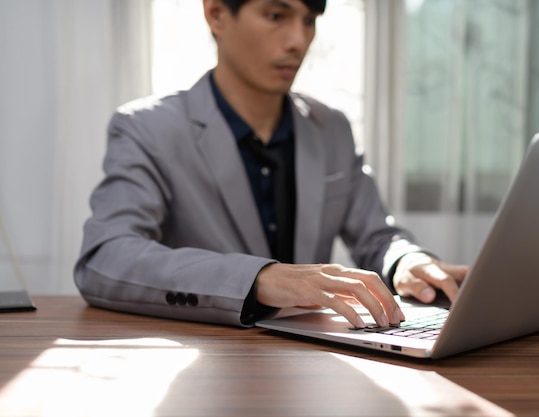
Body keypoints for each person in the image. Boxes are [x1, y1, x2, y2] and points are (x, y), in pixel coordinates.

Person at [74, 0, 468, 329]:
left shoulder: (331, 127)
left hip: (319, 362)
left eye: (309, 20)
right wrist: (258, 278)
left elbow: (376, 236)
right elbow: (104, 259)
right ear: (215, 13)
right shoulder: (146, 127)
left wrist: (406, 260)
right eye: (276, 15)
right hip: (208, 363)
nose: (299, 40)